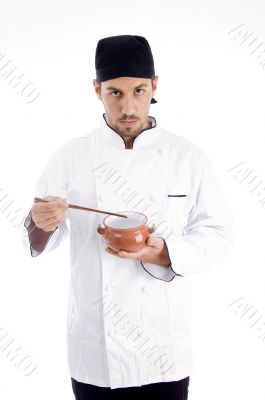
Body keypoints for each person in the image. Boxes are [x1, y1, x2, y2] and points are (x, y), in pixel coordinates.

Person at [22, 35, 233, 400]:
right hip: (95, 347)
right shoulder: (69, 156)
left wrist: (162, 251)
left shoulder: (187, 156)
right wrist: (44, 220)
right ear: (96, 90)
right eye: (115, 93)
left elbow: (218, 233)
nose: (129, 107)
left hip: (164, 346)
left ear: (154, 86)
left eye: (138, 91)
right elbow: (35, 239)